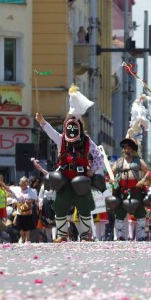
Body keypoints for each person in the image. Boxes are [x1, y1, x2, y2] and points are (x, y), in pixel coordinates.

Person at [35, 85, 104, 242]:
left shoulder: (87, 141)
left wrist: (91, 171)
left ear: (79, 126)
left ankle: (86, 235)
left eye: (75, 124)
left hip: (81, 179)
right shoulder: (61, 140)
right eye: (69, 124)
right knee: (60, 205)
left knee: (85, 206)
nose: (72, 127)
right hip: (65, 179)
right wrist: (42, 121)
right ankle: (61, 235)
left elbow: (98, 156)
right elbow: (51, 132)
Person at [110, 138, 151, 241]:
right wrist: (112, 180)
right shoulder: (119, 162)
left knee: (140, 213)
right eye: (124, 148)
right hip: (121, 192)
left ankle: (141, 236)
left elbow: (149, 172)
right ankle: (121, 236)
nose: (126, 150)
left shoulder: (139, 161)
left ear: (133, 150)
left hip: (136, 191)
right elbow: (110, 174)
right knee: (119, 214)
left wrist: (142, 181)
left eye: (128, 148)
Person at [9, 176, 38, 243]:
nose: (20, 184)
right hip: (20, 212)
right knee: (20, 226)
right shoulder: (17, 189)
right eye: (20, 183)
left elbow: (35, 200)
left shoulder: (31, 191)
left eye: (22, 183)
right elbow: (8, 189)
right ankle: (22, 237)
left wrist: (29, 201)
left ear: (25, 184)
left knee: (27, 227)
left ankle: (27, 238)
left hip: (28, 212)